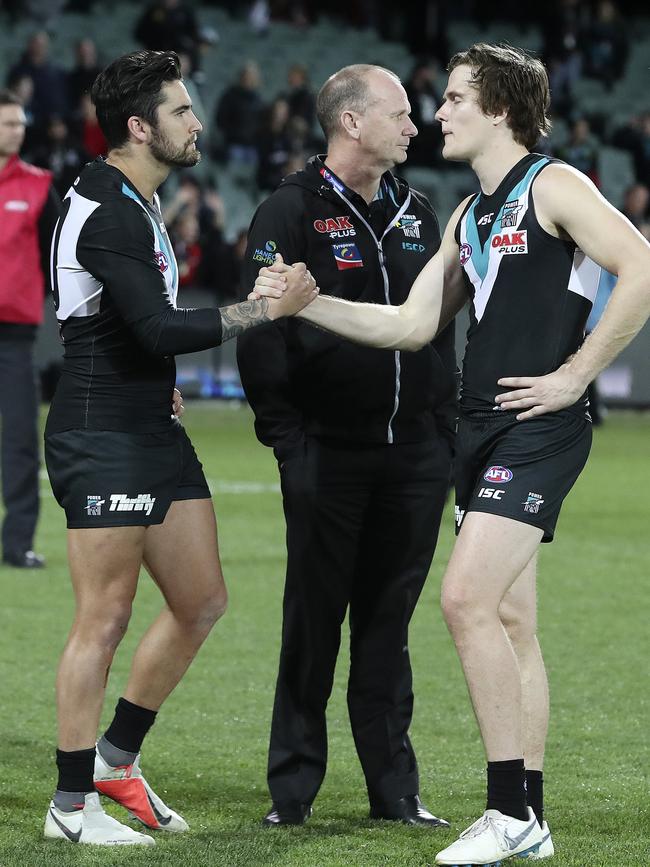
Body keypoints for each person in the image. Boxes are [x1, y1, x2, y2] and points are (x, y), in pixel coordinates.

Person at [253, 43, 650, 864]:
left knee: (463, 600)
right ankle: (529, 814)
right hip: (478, 432)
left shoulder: (554, 184)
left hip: (535, 427)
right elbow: (407, 325)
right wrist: (312, 301)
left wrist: (577, 375)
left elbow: (640, 263)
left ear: (500, 108)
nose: (438, 113)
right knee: (510, 618)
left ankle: (509, 812)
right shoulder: (469, 216)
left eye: (456, 98)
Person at [43, 49, 316, 847]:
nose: (197, 122)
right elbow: (155, 325)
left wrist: (152, 376)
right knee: (104, 618)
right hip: (102, 433)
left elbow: (125, 323)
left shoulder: (134, 198)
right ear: (139, 126)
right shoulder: (110, 205)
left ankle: (114, 761)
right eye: (181, 111)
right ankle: (69, 806)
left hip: (149, 426)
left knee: (201, 600)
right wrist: (262, 308)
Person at [237, 64, 456, 829]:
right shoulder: (288, 210)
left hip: (416, 458)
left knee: (388, 627)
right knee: (313, 621)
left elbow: (442, 335)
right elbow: (259, 332)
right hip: (326, 454)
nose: (415, 123)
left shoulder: (420, 211)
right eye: (399, 112)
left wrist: (444, 437)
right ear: (352, 123)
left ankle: (395, 793)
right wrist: (288, 444)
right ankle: (291, 793)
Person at [0, 89, 59, 569]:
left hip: (14, 337)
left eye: (20, 123)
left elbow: (56, 260)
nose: (15, 131)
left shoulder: (41, 185)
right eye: (6, 123)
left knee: (19, 439)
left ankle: (18, 544)